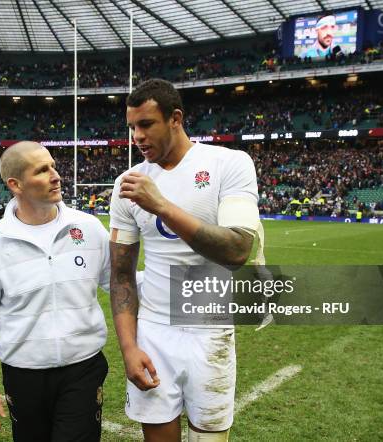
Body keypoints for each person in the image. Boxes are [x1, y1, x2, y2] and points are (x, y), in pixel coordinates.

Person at [109, 79, 260, 442]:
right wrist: (129, 348)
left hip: (210, 331)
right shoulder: (128, 183)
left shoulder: (228, 164)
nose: (137, 136)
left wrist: (161, 205)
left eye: (146, 124)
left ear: (175, 118)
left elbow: (238, 250)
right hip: (153, 332)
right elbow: (121, 275)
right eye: (132, 127)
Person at [0, 141, 112, 442]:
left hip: (82, 368)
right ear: (15, 184)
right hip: (22, 374)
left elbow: (120, 283)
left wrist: (187, 280)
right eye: (42, 170)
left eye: (53, 166)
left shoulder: (89, 228)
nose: (55, 175)